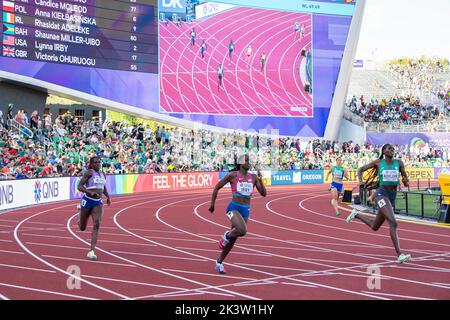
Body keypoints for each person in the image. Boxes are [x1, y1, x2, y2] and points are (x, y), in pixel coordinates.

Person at [346, 144, 411, 263]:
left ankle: (356, 214)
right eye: (389, 149)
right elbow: (360, 169)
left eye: (393, 148)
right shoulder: (378, 163)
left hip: (392, 196)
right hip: (381, 194)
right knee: (393, 222)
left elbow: (406, 181)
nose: (392, 150)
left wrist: (406, 181)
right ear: (384, 151)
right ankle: (399, 254)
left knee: (374, 226)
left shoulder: (399, 163)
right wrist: (361, 182)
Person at [208, 154, 267, 274]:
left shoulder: (254, 177)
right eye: (246, 160)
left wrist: (260, 179)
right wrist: (212, 204)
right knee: (242, 231)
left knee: (233, 240)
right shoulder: (233, 175)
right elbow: (217, 187)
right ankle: (227, 235)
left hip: (246, 210)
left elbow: (264, 194)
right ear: (240, 163)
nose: (249, 162)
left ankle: (219, 262)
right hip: (233, 208)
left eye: (250, 160)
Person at [77, 156, 111, 260]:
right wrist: (90, 192)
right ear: (91, 164)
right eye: (96, 162)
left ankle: (91, 251)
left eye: (99, 162)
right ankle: (79, 212)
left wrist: (108, 197)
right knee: (82, 228)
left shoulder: (103, 174)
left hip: (97, 202)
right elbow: (79, 186)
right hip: (87, 200)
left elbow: (103, 187)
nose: (98, 164)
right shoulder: (89, 173)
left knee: (97, 224)